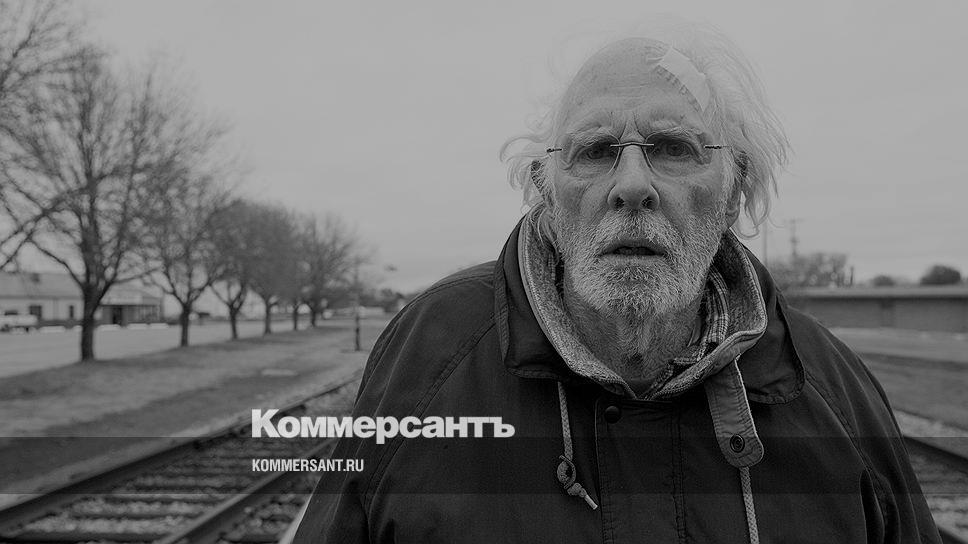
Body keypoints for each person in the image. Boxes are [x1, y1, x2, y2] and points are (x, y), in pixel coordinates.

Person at [293, 22, 941, 544]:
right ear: (547, 193)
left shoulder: (831, 387)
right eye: (596, 150)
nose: (631, 185)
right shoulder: (431, 351)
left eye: (674, 147)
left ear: (733, 190)